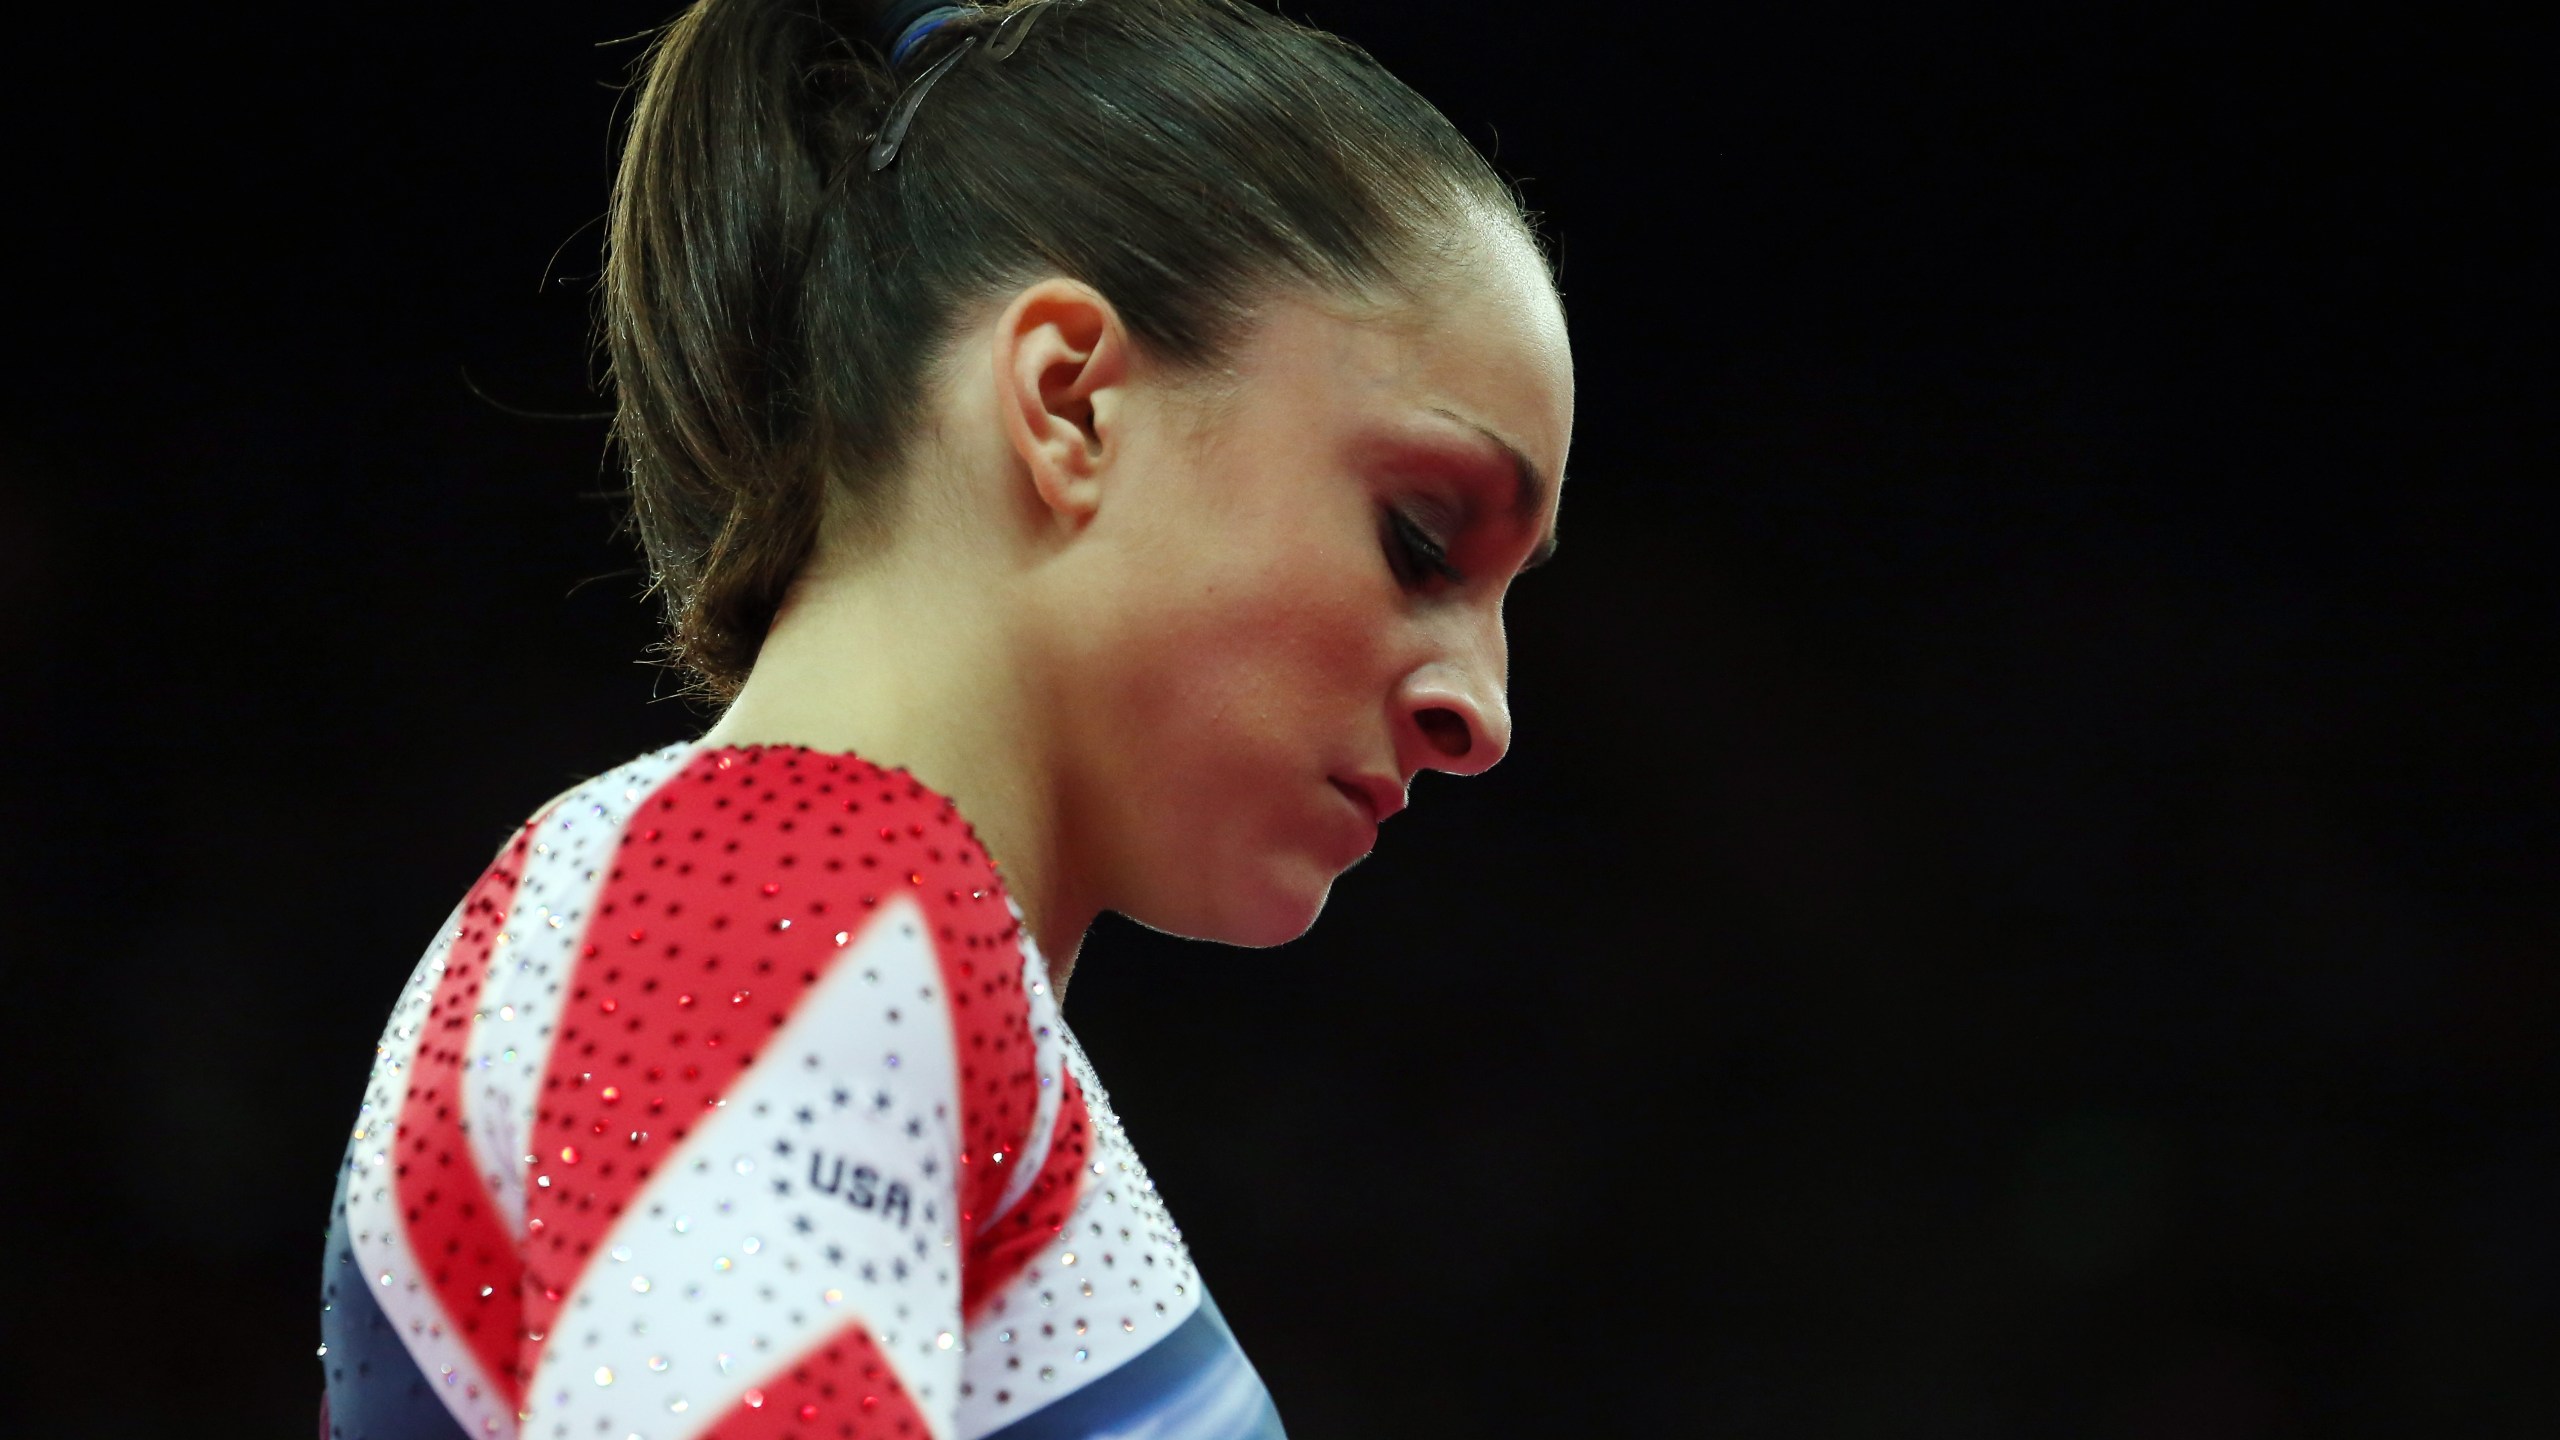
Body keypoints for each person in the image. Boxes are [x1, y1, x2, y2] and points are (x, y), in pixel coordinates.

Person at [317, 0, 1570, 1435]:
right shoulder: (777, 888)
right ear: (1071, 403)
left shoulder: (855, 950)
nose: (1485, 710)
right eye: (1419, 537)